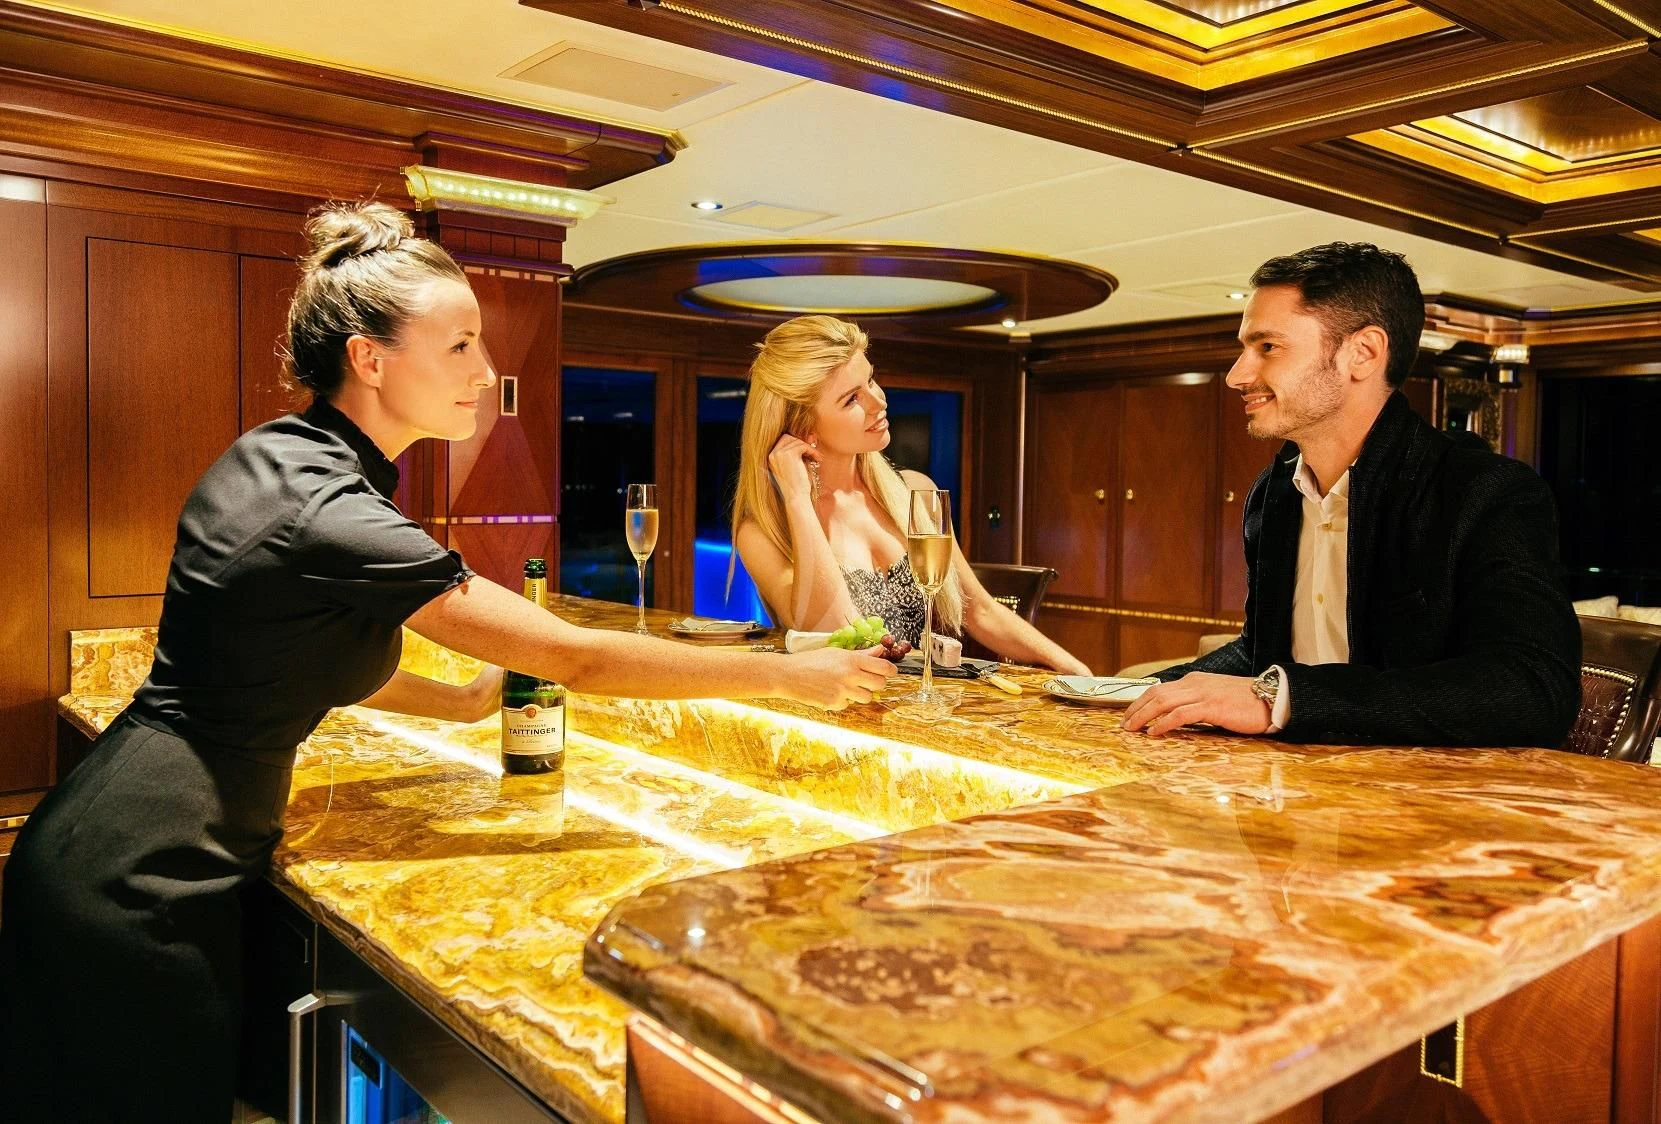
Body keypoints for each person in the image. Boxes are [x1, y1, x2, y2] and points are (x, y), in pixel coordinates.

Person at [0, 203, 892, 1122]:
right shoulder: (331, 509)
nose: (485, 371)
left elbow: (294, 651)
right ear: (370, 358)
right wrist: (789, 673)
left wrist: (462, 704)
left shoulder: (284, 456)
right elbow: (575, 658)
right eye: (460, 345)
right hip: (137, 876)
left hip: (120, 835)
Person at [1122, 242, 1580, 747]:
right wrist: (1133, 690)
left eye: (1268, 347)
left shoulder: (1485, 491)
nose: (1237, 375)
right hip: (1289, 782)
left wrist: (1279, 699)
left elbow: (1533, 690)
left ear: (1363, 353)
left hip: (1428, 793)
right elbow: (1261, 652)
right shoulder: (1272, 494)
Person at [732, 315, 1090, 674]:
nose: (878, 401)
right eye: (852, 399)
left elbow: (979, 611)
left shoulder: (915, 492)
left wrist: (1079, 671)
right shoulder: (764, 531)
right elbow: (830, 634)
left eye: (871, 380)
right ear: (803, 427)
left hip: (928, 700)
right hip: (840, 706)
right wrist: (798, 498)